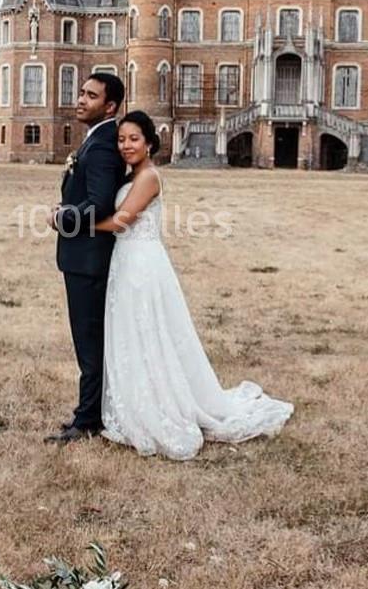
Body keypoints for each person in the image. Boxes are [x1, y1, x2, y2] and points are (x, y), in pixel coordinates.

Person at [92, 111, 293, 460]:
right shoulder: (132, 175)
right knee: (133, 332)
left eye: (133, 138)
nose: (126, 145)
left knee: (149, 331)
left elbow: (123, 221)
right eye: (121, 139)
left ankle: (160, 407)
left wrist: (74, 223)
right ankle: (137, 399)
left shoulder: (150, 177)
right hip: (126, 263)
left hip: (143, 264)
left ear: (150, 142)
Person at [44, 73, 128, 444]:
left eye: (90, 96)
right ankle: (91, 413)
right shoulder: (96, 140)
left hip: (89, 260)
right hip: (82, 258)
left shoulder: (105, 145)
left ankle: (88, 420)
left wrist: (61, 217)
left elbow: (99, 205)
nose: (80, 99)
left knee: (89, 341)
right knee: (88, 340)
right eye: (81, 93)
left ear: (109, 107)